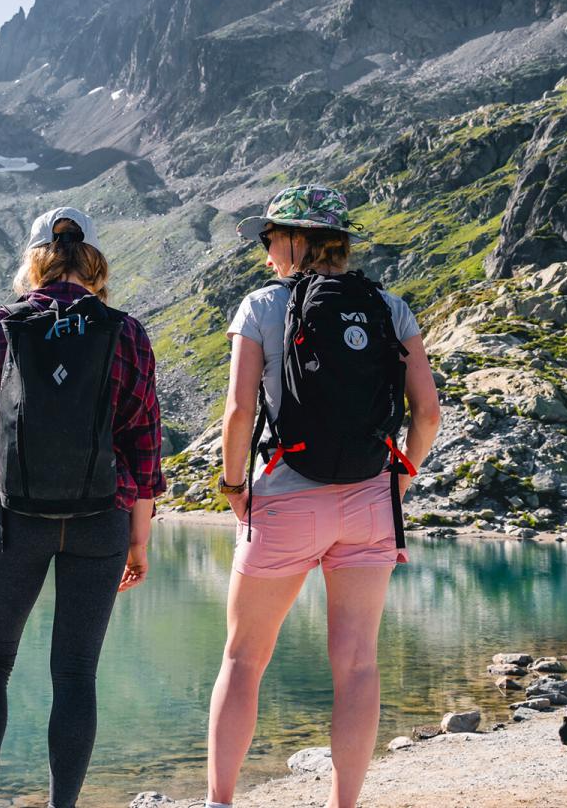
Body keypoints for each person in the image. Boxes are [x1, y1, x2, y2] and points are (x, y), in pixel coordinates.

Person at [203, 185, 441, 808]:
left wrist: (234, 488)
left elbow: (238, 412)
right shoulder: (390, 308)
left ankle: (220, 802)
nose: (264, 251)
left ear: (297, 241)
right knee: (358, 664)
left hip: (284, 495)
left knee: (243, 658)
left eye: (269, 238)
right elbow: (428, 413)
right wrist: (400, 480)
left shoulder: (260, 306)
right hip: (370, 503)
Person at [0, 206, 164, 808]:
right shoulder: (126, 332)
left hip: (16, 518)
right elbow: (145, 446)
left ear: (35, 258)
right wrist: (139, 540)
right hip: (103, 517)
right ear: (92, 259)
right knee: (74, 675)